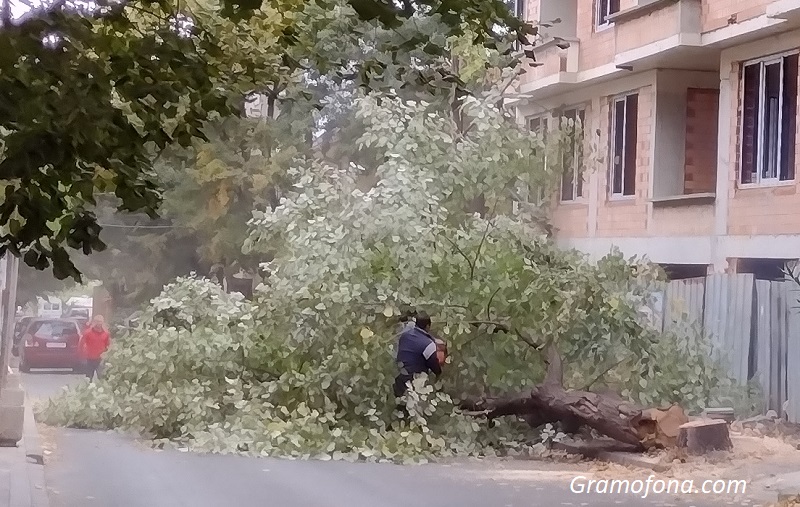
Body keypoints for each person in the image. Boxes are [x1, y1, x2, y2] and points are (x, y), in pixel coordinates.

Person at [393, 312, 442, 400]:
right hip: (416, 380)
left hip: (400, 376)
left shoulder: (405, 335)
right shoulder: (428, 344)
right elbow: (434, 365)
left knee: (401, 406)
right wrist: (439, 374)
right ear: (427, 326)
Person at [78, 315, 111, 382]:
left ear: (103, 322)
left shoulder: (106, 333)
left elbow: (109, 345)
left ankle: (102, 391)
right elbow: (81, 344)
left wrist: (107, 354)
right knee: (88, 378)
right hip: (89, 358)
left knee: (102, 377)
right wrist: (81, 355)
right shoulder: (87, 333)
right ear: (94, 322)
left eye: (100, 322)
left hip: (101, 359)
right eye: (97, 322)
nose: (99, 324)